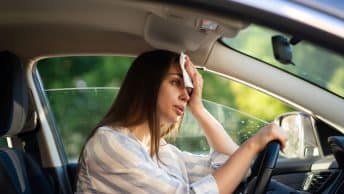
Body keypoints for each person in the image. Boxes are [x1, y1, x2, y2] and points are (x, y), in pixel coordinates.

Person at [76, 50, 288, 194]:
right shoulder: (110, 143)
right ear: (147, 84)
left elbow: (235, 167)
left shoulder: (163, 153)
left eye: (188, 90)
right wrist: (254, 143)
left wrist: (199, 108)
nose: (186, 96)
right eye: (175, 82)